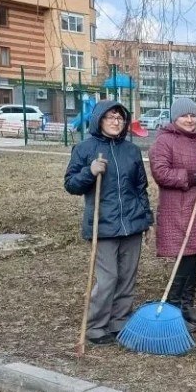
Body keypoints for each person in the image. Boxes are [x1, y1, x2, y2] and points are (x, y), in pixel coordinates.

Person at [64, 100, 153, 346]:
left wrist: (147, 220)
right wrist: (89, 172)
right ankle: (96, 326)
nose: (115, 122)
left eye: (119, 118)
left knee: (127, 277)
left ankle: (119, 322)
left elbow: (140, 188)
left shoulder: (131, 151)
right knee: (108, 278)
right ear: (99, 120)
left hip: (132, 223)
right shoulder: (85, 148)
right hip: (102, 225)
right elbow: (71, 185)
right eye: (110, 117)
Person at [148, 97, 196, 328]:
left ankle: (187, 306)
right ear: (175, 118)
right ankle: (173, 309)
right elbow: (161, 173)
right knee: (184, 261)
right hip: (179, 211)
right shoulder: (164, 142)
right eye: (185, 116)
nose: (190, 120)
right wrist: (193, 177)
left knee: (195, 260)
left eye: (193, 115)